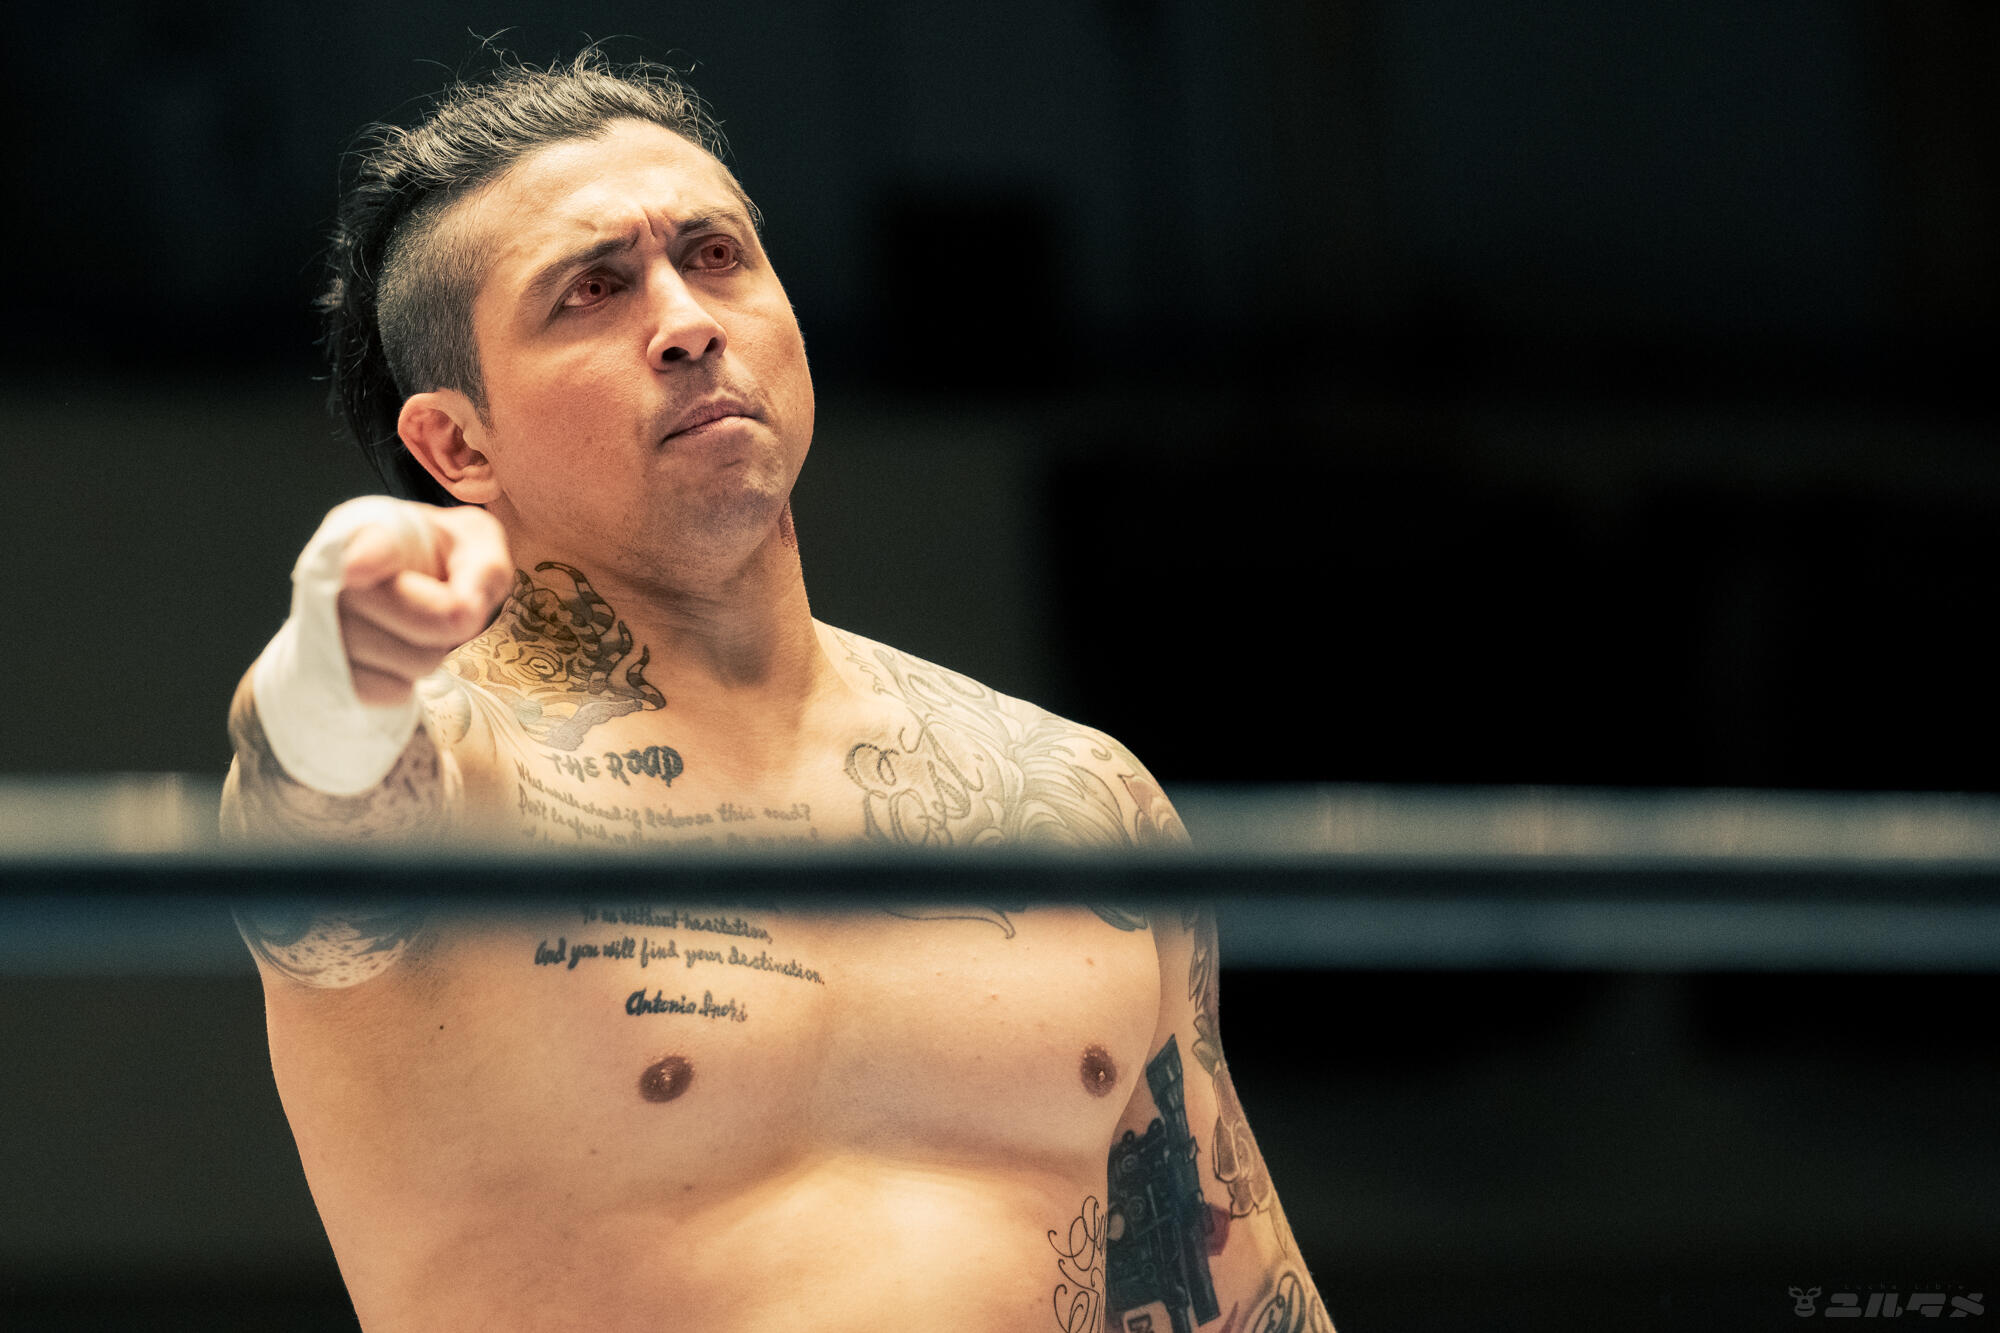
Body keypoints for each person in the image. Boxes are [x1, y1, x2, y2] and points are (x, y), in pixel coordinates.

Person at [223, 50, 1331, 1333]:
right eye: (591, 290)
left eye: (715, 256)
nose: (687, 320)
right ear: (457, 443)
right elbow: (307, 799)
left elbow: (1231, 1290)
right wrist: (335, 655)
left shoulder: (1076, 797)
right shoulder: (446, 775)